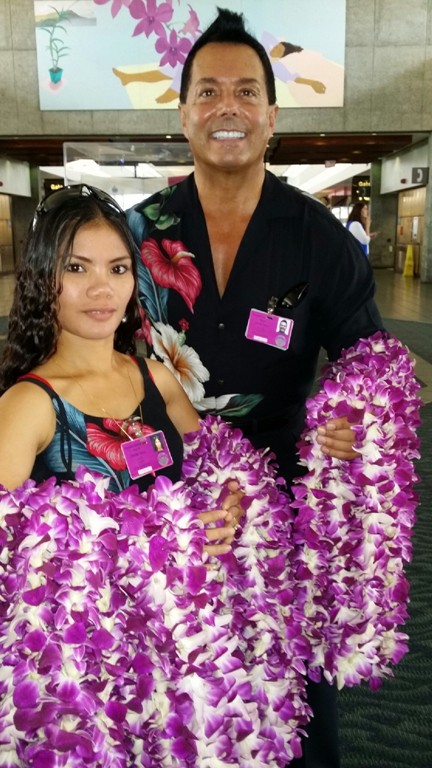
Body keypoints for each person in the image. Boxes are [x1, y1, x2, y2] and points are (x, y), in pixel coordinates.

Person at [126, 8, 387, 767]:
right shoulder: (136, 237)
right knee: (173, 719)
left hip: (286, 519)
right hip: (164, 520)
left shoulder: (320, 241)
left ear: (273, 115)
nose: (226, 107)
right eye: (207, 91)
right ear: (182, 114)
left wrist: (355, 415)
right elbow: (93, 375)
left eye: (245, 92)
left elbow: (372, 364)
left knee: (302, 727)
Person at [0, 184, 240, 559]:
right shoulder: (28, 404)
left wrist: (228, 504)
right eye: (76, 267)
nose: (102, 288)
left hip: (178, 613)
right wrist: (153, 544)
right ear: (42, 278)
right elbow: (11, 556)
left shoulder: (157, 378)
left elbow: (213, 468)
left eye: (118, 268)